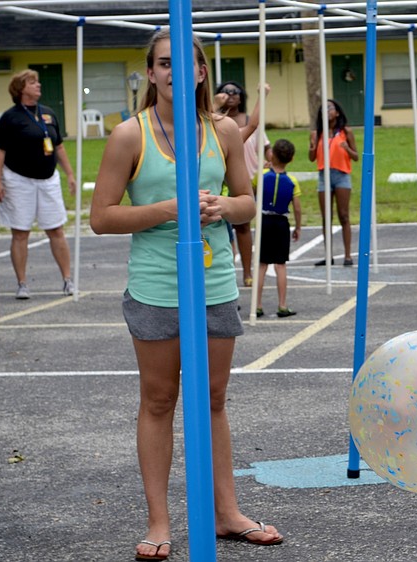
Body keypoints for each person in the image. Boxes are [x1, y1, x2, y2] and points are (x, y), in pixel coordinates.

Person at [89, 30, 283, 561]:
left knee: (214, 400)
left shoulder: (221, 130)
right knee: (158, 400)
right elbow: (101, 217)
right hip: (155, 288)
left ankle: (227, 513)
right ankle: (159, 521)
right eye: (163, 62)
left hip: (215, 283)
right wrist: (167, 209)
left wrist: (223, 207)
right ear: (150, 74)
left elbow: (248, 202)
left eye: (186, 62)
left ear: (201, 73)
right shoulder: (130, 135)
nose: (175, 71)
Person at [0, 69, 77, 299]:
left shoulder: (49, 114)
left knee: (56, 230)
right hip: (18, 181)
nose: (38, 85)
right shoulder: (10, 118)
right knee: (21, 233)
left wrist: (70, 174)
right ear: (21, 89)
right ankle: (22, 283)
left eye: (38, 82)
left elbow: (58, 146)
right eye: (33, 82)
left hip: (48, 180)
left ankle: (68, 280)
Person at [214, 81, 270, 287]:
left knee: (242, 227)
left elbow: (254, 125)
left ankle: (247, 272)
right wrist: (215, 104)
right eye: (225, 92)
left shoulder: (234, 133)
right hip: (213, 188)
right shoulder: (209, 126)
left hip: (238, 183)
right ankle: (223, 276)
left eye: (234, 91)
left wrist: (262, 95)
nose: (229, 95)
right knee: (220, 234)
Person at [308, 98, 358, 266]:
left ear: (337, 112)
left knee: (343, 215)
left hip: (342, 175)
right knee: (326, 217)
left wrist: (347, 148)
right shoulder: (317, 134)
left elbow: (356, 157)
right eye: (324, 109)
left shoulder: (346, 132)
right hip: (324, 176)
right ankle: (328, 255)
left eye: (330, 108)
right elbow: (311, 158)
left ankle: (348, 255)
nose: (327, 111)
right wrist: (312, 148)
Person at [255, 138, 302, 318]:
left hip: (264, 221)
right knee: (280, 265)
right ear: (291, 159)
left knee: (261, 264)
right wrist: (298, 226)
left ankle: (257, 305)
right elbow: (297, 207)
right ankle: (282, 305)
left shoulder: (261, 176)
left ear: (271, 154)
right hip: (281, 222)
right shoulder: (292, 181)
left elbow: (252, 193)